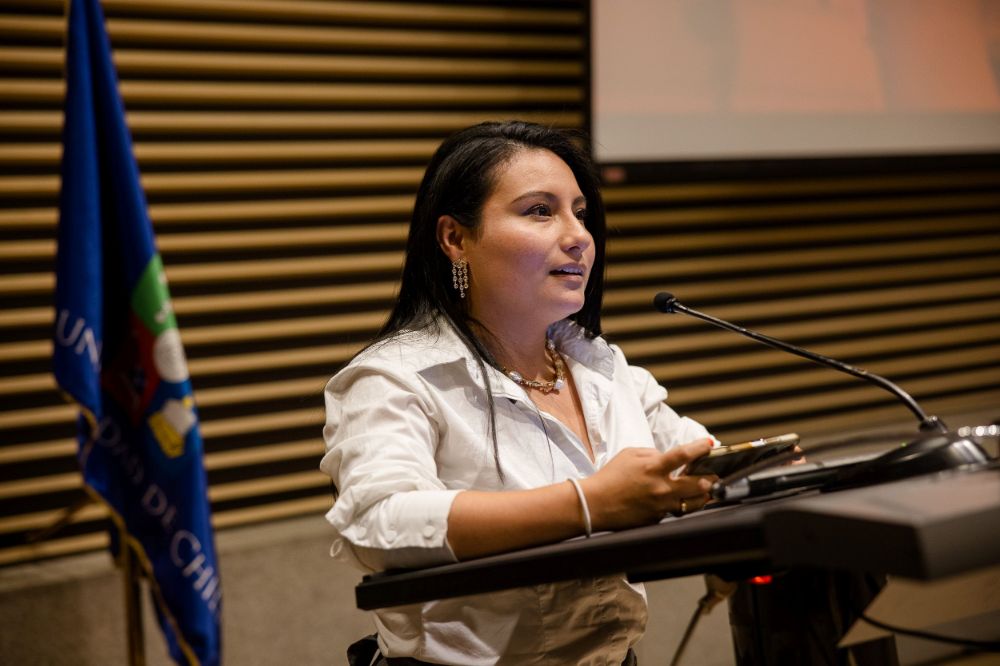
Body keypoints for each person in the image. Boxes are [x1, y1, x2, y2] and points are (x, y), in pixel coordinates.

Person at [320, 120, 718, 666]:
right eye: (539, 211)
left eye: (580, 212)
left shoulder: (601, 366)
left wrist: (746, 483)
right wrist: (589, 504)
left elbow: (698, 462)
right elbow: (379, 523)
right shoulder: (396, 377)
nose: (578, 235)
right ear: (455, 239)